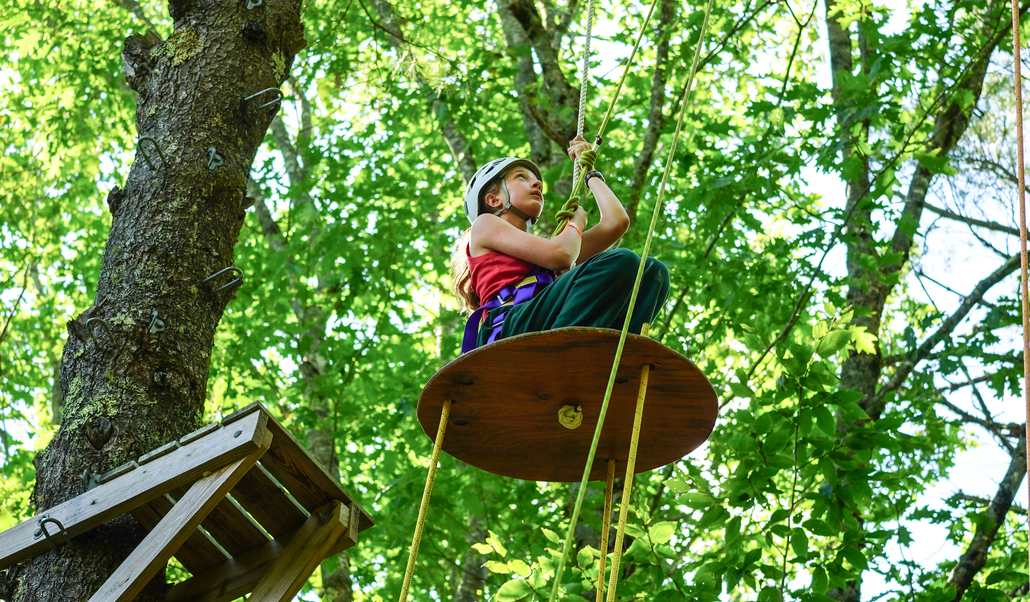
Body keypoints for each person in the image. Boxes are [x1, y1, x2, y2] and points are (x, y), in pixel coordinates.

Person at [450, 135, 670, 353]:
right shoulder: (484, 225)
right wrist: (574, 225)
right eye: (521, 177)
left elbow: (616, 222)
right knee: (621, 260)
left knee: (650, 272)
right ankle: (561, 353)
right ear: (493, 199)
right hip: (510, 326)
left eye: (534, 180)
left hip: (542, 319)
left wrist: (589, 171)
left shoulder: (547, 253)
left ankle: (609, 358)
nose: (536, 183)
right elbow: (561, 255)